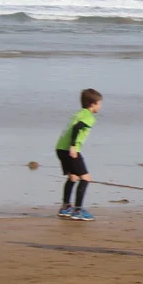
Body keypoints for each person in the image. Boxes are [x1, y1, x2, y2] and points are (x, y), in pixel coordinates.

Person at [55, 88, 103, 221]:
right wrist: (73, 146)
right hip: (70, 149)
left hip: (60, 148)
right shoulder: (89, 117)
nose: (100, 106)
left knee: (73, 177)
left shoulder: (79, 113)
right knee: (86, 178)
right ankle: (78, 210)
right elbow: (76, 128)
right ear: (92, 104)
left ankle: (65, 207)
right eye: (99, 103)